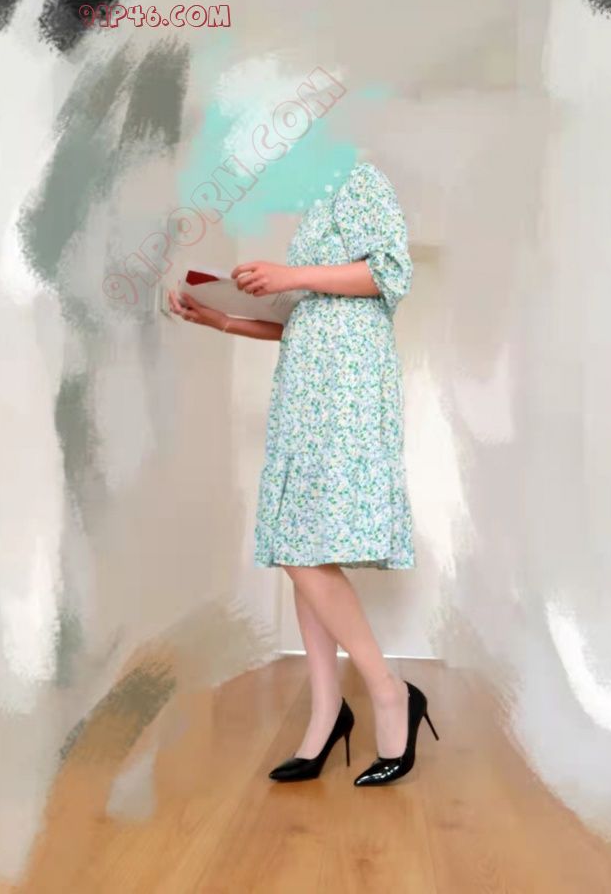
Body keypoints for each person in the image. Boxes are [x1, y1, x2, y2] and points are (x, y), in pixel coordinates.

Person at [169, 160, 439, 786]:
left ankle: (389, 690)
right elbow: (308, 317)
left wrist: (289, 274)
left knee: (302, 546)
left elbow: (388, 273)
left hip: (345, 391)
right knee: (301, 542)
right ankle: (326, 711)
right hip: (305, 394)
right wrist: (222, 318)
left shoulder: (359, 178)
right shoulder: (316, 206)